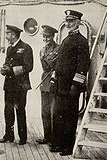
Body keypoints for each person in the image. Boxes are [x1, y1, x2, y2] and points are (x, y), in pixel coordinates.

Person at [50, 10, 90, 155]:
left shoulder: (81, 41)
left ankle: (67, 147)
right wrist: (54, 78)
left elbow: (84, 65)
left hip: (71, 87)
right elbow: (59, 64)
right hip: (60, 85)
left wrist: (76, 85)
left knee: (69, 118)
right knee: (58, 115)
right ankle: (58, 144)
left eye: (72, 21)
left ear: (78, 22)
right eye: (67, 21)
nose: (68, 24)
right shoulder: (66, 40)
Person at [0, 25, 33, 145]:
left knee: (20, 110)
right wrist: (3, 69)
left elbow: (28, 67)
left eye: (8, 34)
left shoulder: (26, 48)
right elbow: (8, 63)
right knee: (8, 111)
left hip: (20, 86)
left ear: (13, 35)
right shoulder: (9, 48)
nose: (6, 36)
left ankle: (22, 138)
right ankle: (8, 135)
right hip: (9, 85)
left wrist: (10, 70)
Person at [36, 25, 59, 145]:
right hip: (44, 83)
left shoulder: (58, 49)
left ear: (53, 36)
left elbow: (56, 67)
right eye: (44, 36)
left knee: (53, 112)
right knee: (44, 111)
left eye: (48, 36)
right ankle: (47, 137)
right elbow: (45, 67)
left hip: (54, 82)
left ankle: (55, 139)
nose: (45, 38)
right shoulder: (42, 50)